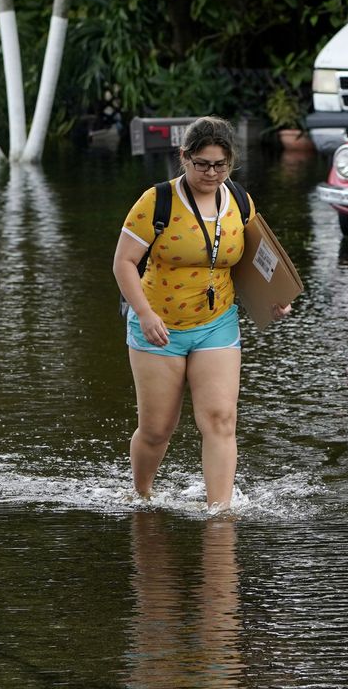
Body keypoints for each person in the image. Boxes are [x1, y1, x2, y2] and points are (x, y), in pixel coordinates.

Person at [112, 116, 291, 510]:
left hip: (216, 324)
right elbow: (123, 263)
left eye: (220, 165)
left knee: (221, 420)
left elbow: (253, 261)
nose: (212, 173)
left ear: (231, 162)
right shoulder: (155, 201)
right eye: (202, 164)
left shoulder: (240, 201)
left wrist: (274, 298)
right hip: (159, 324)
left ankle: (219, 512)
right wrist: (143, 314)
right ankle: (141, 496)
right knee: (158, 431)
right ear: (184, 157)